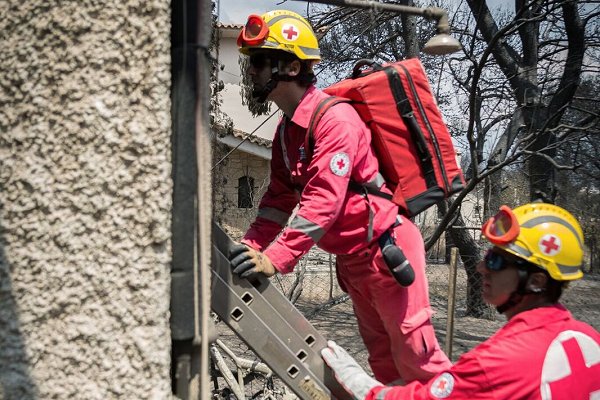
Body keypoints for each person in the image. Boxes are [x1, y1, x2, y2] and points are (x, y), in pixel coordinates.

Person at [227, 9, 452, 384]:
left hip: (385, 250)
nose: (252, 71)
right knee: (383, 360)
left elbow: (323, 201)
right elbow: (278, 200)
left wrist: (275, 258)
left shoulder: (335, 119)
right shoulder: (287, 131)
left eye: (261, 61)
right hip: (352, 262)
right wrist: (248, 247)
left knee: (417, 358)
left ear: (292, 68)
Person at [321, 202, 600, 399]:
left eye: (495, 259)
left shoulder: (498, 362)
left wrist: (359, 385)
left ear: (536, 281)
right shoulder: (589, 338)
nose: (481, 267)